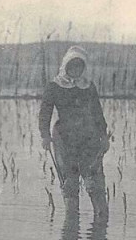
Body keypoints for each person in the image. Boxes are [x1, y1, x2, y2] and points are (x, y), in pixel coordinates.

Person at [39, 45, 109, 216]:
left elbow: (98, 114)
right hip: (65, 140)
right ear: (66, 66)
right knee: (70, 184)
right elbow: (44, 114)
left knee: (95, 182)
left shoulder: (88, 86)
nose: (76, 70)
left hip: (89, 140)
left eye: (79, 66)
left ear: (83, 67)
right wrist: (45, 136)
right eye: (72, 66)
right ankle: (71, 229)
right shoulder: (54, 87)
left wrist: (104, 137)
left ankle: (100, 226)